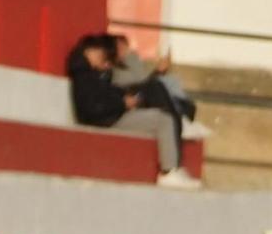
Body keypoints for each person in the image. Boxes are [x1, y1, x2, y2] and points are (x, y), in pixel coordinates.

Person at [68, 33, 196, 189]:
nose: (106, 62)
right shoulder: (84, 75)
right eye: (104, 57)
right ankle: (169, 171)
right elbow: (92, 108)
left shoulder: (88, 72)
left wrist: (123, 99)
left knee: (162, 110)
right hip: (108, 121)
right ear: (92, 51)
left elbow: (106, 95)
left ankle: (173, 166)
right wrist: (122, 103)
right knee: (162, 117)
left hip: (113, 116)